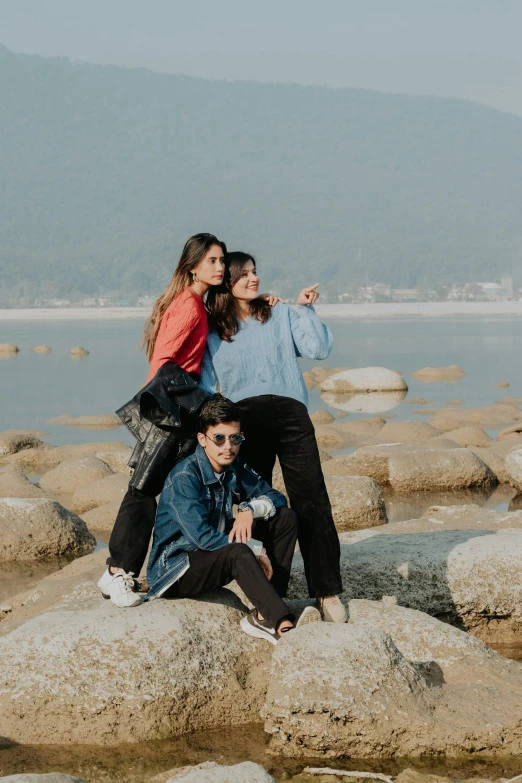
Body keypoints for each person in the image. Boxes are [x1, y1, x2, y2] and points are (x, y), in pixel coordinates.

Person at [202, 252, 346, 622]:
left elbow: (319, 349)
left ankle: (326, 592)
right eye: (245, 274)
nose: (255, 278)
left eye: (255, 271)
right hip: (244, 421)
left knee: (311, 499)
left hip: (290, 415)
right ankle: (269, 591)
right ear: (227, 281)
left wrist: (303, 309)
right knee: (258, 504)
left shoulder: (279, 313)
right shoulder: (213, 327)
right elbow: (204, 382)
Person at [98, 232, 227, 608]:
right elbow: (163, 364)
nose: (219, 267)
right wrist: (192, 404)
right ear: (192, 266)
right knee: (142, 491)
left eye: (221, 261)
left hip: (180, 414)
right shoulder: (188, 306)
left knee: (169, 491)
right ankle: (117, 572)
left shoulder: (196, 304)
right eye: (212, 261)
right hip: (170, 414)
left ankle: (158, 567)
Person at [147, 394, 322, 644]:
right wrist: (257, 550)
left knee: (285, 518)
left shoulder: (234, 466)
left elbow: (275, 497)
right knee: (239, 551)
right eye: (219, 438)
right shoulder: (185, 478)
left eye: (235, 438)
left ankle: (265, 610)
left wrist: (249, 509)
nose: (227, 446)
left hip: (214, 555)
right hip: (178, 569)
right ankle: (281, 623)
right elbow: (203, 538)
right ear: (202, 440)